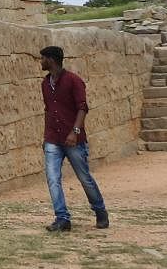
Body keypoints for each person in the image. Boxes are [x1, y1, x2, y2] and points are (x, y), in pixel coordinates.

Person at [40, 45, 109, 232]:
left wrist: (75, 131)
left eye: (43, 58)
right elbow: (48, 110)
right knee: (53, 178)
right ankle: (62, 218)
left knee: (84, 177)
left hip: (73, 140)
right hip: (53, 139)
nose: (41, 62)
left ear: (52, 60)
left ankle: (100, 211)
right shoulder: (46, 84)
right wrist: (46, 136)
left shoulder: (73, 81)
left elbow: (82, 107)